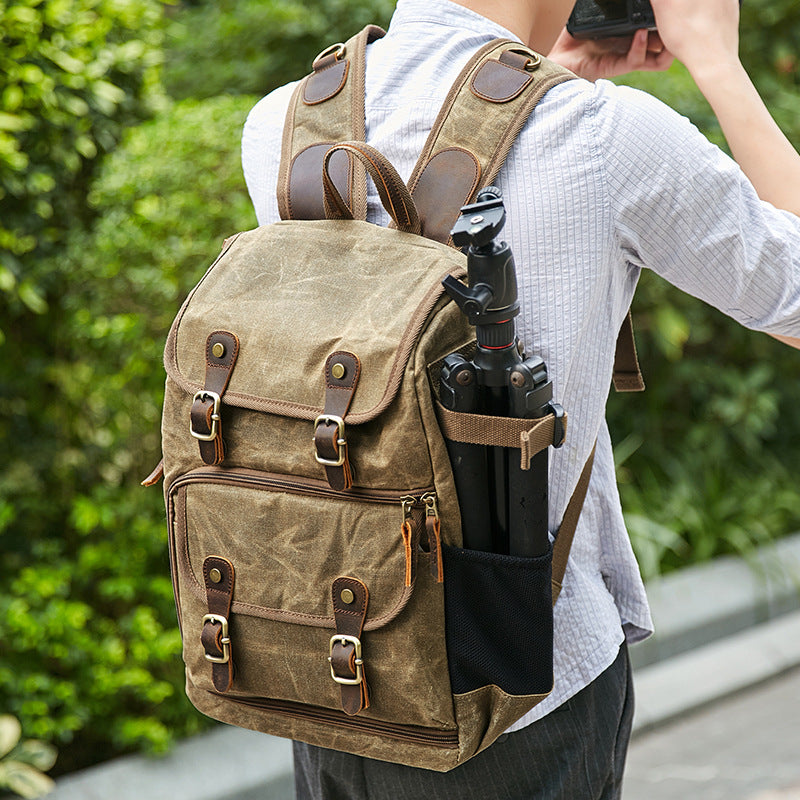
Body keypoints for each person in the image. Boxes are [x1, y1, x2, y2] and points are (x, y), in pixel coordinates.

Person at [241, 0, 800, 796]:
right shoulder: (603, 135)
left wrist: (540, 62)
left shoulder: (285, 121)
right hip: (516, 698)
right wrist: (716, 59)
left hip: (333, 669)